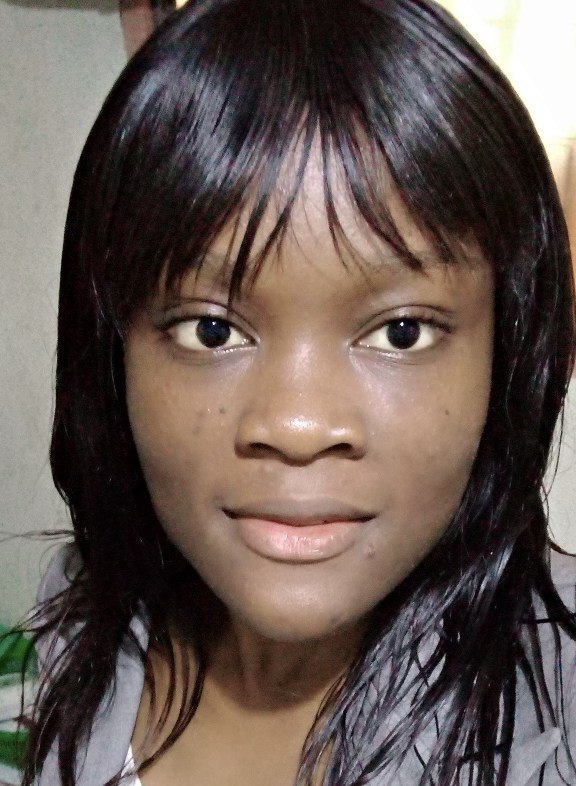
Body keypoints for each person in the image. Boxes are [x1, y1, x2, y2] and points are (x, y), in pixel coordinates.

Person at [20, 0, 576, 784]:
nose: (297, 424)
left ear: (508, 353)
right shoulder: (79, 617)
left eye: (402, 333)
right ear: (111, 354)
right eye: (211, 330)